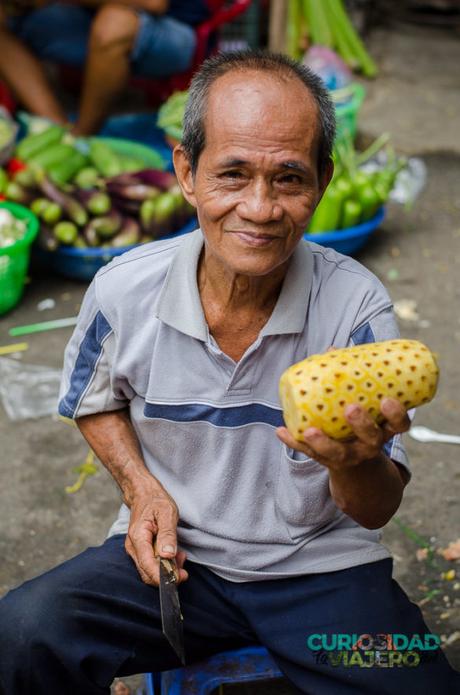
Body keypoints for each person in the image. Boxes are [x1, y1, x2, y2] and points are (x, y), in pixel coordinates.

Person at [0, 50, 459, 694]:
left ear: (324, 182)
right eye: (233, 174)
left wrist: (353, 462)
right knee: (21, 634)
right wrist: (142, 490)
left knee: (419, 683)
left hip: (322, 580)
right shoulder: (123, 291)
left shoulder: (356, 306)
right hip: (176, 568)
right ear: (186, 172)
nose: (260, 208)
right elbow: (96, 400)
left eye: (290, 179)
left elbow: (375, 511)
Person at [0, 0, 210, 135]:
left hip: (174, 32)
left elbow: (153, 3)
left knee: (115, 21)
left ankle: (82, 137)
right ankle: (58, 130)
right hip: (90, 20)